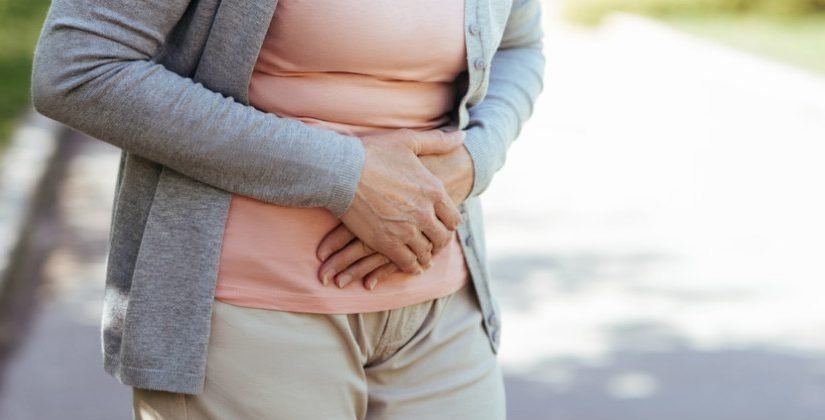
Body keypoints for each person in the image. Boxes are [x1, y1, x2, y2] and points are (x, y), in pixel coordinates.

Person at [31, 0, 545, 418]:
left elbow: (519, 44)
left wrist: (477, 157)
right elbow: (81, 66)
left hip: (441, 315)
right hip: (247, 319)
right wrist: (346, 174)